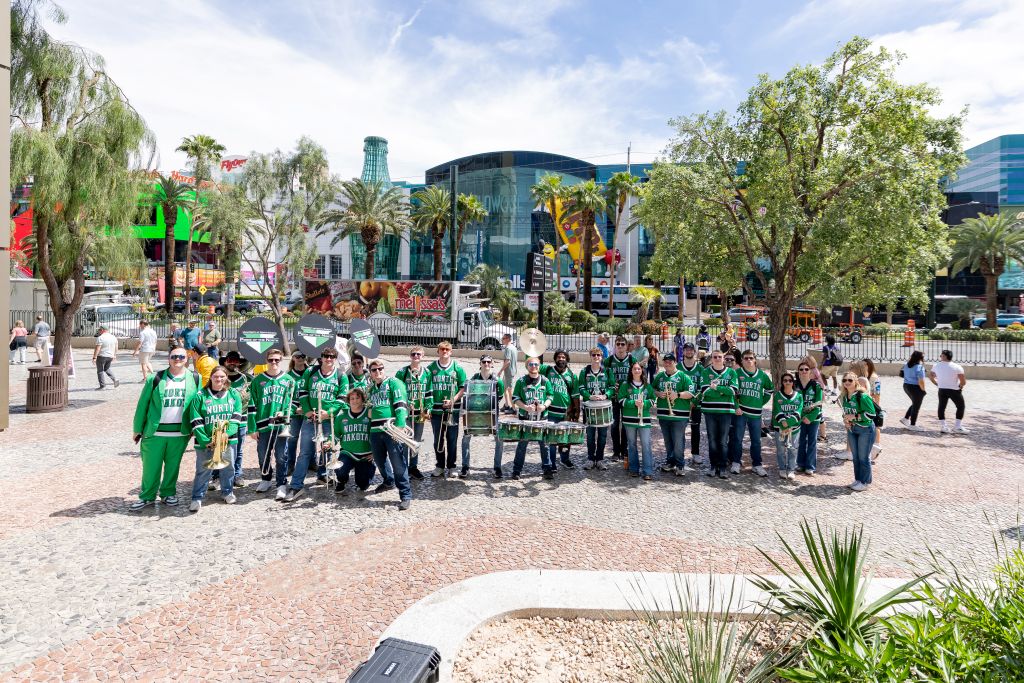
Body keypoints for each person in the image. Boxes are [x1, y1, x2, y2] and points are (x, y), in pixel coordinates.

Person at [130, 348, 201, 510]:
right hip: (154, 432)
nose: (178, 359)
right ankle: (147, 496)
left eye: (181, 356)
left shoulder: (196, 379)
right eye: (174, 356)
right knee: (150, 467)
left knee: (173, 466)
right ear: (168, 359)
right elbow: (143, 405)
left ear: (187, 358)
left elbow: (199, 406)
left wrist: (197, 429)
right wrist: (137, 428)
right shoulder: (155, 378)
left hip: (180, 432)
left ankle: (168, 493)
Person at [285, 348, 349, 502]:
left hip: (329, 419)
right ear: (321, 358)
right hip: (311, 418)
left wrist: (329, 412)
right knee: (305, 453)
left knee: (327, 450)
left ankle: (322, 476)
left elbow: (341, 399)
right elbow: (303, 393)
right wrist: (307, 411)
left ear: (335, 358)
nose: (329, 359)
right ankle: (296, 486)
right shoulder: (311, 372)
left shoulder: (341, 376)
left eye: (332, 357)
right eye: (326, 356)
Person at [186, 366, 243, 512]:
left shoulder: (233, 394)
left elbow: (236, 418)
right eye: (216, 376)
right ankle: (197, 497)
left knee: (228, 468)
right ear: (210, 377)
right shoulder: (200, 396)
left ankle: (227, 492)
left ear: (226, 378)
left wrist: (225, 434)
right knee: (203, 469)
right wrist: (206, 440)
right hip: (206, 442)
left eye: (222, 377)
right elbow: (196, 419)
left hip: (227, 440)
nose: (219, 379)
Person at [246, 348, 297, 498]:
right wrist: (252, 428)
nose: (274, 362)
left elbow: (294, 403)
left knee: (281, 455)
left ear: (281, 361)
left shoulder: (289, 380)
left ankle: (281, 483)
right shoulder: (257, 380)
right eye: (271, 360)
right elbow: (252, 405)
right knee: (263, 454)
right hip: (263, 424)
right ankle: (266, 479)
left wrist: (287, 413)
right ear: (266, 361)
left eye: (277, 360)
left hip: (281, 425)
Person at [366, 358, 412, 509]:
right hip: (375, 430)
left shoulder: (394, 383)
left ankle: (405, 494)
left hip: (391, 430)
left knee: (398, 462)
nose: (378, 371)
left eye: (380, 368)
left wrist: (399, 427)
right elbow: (368, 411)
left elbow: (400, 405)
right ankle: (388, 480)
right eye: (374, 370)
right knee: (379, 460)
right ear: (370, 373)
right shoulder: (370, 389)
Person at [426, 341, 467, 478]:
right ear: (438, 351)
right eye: (442, 349)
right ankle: (439, 466)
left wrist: (453, 400)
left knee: (452, 439)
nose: (444, 351)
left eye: (447, 349)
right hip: (437, 409)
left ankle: (452, 466)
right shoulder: (430, 368)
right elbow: (426, 388)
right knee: (438, 440)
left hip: (452, 410)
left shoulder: (457, 368)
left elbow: (463, 387)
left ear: (451, 352)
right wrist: (428, 408)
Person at [460, 355, 505, 478]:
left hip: (492, 414)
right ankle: (465, 466)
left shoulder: (498, 381)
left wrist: (487, 405)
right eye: (484, 362)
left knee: (499, 439)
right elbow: (469, 394)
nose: (486, 364)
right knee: (466, 437)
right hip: (475, 413)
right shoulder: (474, 378)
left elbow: (499, 397)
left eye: (488, 362)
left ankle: (497, 467)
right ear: (480, 363)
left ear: (492, 364)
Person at [731, 350, 773, 476]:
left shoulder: (762, 375)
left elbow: (769, 390)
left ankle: (757, 464)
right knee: (737, 439)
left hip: (755, 413)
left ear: (755, 359)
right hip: (741, 412)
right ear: (742, 360)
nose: (748, 360)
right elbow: (732, 392)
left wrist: (760, 402)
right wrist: (736, 406)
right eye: (746, 358)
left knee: (756, 440)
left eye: (751, 358)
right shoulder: (737, 373)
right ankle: (736, 462)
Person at [511, 358, 554, 479]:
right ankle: (517, 470)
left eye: (536, 364)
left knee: (544, 444)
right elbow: (515, 398)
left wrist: (544, 405)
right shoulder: (521, 381)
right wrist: (525, 406)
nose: (533, 366)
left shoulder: (545, 381)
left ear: (539, 366)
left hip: (542, 418)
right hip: (526, 417)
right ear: (527, 366)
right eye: (531, 364)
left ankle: (547, 468)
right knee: (522, 444)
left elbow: (550, 396)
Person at [699, 349, 738, 479]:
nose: (717, 359)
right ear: (712, 358)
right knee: (712, 440)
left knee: (722, 441)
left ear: (724, 358)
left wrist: (716, 388)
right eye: (715, 357)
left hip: (726, 411)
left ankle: (722, 467)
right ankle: (713, 466)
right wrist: (722, 392)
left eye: (719, 357)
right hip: (710, 411)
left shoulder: (731, 372)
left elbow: (732, 391)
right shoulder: (706, 372)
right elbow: (704, 391)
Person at [654, 353, 694, 475]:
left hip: (679, 414)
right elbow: (651, 389)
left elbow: (691, 392)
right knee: (668, 440)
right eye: (665, 361)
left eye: (670, 361)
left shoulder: (683, 376)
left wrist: (678, 395)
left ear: (675, 362)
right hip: (663, 414)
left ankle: (680, 464)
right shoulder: (660, 376)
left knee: (678, 440)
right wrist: (658, 394)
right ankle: (670, 462)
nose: (667, 363)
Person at [540, 349, 579, 470]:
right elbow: (532, 362)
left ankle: (565, 459)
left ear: (567, 359)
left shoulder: (572, 375)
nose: (561, 359)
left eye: (563, 357)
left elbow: (575, 395)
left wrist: (577, 411)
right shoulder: (547, 370)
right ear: (555, 359)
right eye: (559, 357)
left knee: (565, 438)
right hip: (551, 411)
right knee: (552, 438)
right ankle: (552, 463)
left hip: (565, 412)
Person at [618, 361, 657, 480]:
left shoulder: (647, 386)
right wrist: (633, 403)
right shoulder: (625, 385)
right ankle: (633, 469)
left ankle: (648, 470)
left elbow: (652, 400)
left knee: (646, 444)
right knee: (632, 444)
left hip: (644, 420)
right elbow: (620, 400)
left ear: (642, 371)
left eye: (639, 369)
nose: (637, 371)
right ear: (631, 371)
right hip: (629, 420)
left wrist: (644, 403)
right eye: (634, 369)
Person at [395, 346, 430, 479]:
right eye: (413, 354)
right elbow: (397, 391)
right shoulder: (402, 372)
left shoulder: (427, 372)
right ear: (410, 356)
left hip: (419, 413)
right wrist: (405, 402)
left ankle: (413, 467)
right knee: (404, 441)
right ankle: (403, 468)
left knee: (416, 442)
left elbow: (429, 392)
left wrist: (427, 409)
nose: (416, 356)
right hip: (406, 412)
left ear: (423, 356)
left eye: (418, 354)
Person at [332, 388, 375, 495]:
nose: (354, 400)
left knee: (363, 485)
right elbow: (336, 434)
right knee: (340, 470)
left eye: (357, 398)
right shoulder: (341, 416)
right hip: (348, 453)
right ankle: (342, 481)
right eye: (352, 398)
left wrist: (375, 453)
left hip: (365, 455)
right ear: (348, 401)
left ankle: (369, 469)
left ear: (362, 400)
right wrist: (329, 442)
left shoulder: (369, 414)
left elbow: (378, 434)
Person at [221, 351, 253, 488]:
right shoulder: (220, 377)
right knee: (220, 447)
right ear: (225, 362)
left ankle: (237, 474)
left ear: (240, 363)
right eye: (229, 360)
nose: (232, 363)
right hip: (223, 420)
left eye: (235, 360)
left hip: (242, 419)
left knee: (238, 449)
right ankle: (217, 475)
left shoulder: (248, 379)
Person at [840, 371, 875, 491]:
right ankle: (858, 479)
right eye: (844, 380)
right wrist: (845, 420)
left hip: (865, 429)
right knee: (855, 457)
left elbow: (871, 414)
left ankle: (865, 482)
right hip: (852, 429)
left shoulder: (863, 396)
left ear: (855, 381)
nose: (847, 383)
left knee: (863, 457)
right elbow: (846, 413)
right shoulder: (844, 397)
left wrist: (854, 417)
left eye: (850, 380)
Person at [578, 347, 612, 469]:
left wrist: (606, 395)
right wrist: (589, 396)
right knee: (590, 435)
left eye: (598, 355)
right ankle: (590, 459)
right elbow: (581, 387)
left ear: (602, 357)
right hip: (590, 408)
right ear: (590, 356)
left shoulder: (607, 371)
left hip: (603, 407)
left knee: (603, 436)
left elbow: (612, 387)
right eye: (594, 355)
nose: (596, 357)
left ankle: (600, 459)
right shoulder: (584, 371)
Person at [603, 335, 633, 461]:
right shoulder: (609, 361)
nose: (620, 346)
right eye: (618, 344)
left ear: (626, 346)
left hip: (627, 398)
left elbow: (638, 375)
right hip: (614, 398)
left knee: (626, 424)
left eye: (622, 344)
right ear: (615, 346)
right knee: (614, 425)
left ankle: (624, 450)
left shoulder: (632, 359)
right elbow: (602, 378)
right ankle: (616, 451)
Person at [772, 372, 804, 481]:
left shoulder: (799, 396)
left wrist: (789, 423)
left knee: (793, 449)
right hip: (780, 428)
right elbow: (777, 410)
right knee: (781, 449)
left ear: (793, 382)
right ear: (782, 382)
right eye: (785, 380)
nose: (787, 382)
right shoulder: (777, 396)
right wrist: (783, 423)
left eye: (790, 380)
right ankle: (782, 468)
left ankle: (791, 469)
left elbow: (799, 411)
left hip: (793, 428)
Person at [795, 360, 824, 475]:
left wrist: (810, 417)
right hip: (799, 418)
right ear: (798, 372)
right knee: (801, 441)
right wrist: (801, 417)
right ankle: (801, 464)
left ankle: (810, 466)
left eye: (806, 369)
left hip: (814, 418)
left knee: (812, 442)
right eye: (801, 369)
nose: (804, 371)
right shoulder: (794, 385)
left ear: (810, 371)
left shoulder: (816, 386)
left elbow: (819, 403)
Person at [929, 350, 968, 434]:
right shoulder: (957, 367)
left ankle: (944, 426)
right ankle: (957, 426)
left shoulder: (936, 366)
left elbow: (931, 376)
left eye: (941, 355)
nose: (940, 356)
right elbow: (963, 382)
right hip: (954, 390)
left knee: (942, 407)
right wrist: (960, 386)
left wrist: (937, 384)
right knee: (961, 406)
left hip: (942, 389)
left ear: (945, 356)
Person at [678, 343, 704, 464]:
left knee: (695, 429)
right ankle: (679, 452)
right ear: (683, 352)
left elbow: (702, 388)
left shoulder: (700, 368)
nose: (689, 352)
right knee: (679, 430)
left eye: (691, 350)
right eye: (686, 350)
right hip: (681, 404)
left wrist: (694, 401)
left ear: (694, 351)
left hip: (695, 405)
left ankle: (695, 453)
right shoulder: (678, 367)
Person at [285, 352, 309, 475]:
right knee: (292, 439)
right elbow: (286, 398)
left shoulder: (310, 373)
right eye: (297, 356)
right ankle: (290, 464)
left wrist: (306, 408)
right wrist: (295, 409)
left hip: (308, 412)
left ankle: (312, 462)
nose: (300, 358)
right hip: (294, 413)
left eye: (303, 356)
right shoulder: (288, 375)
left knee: (310, 439)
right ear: (293, 358)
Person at [900, 350, 928, 431]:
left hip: (906, 386)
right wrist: (923, 390)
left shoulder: (906, 365)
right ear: (920, 358)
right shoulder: (920, 367)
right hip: (915, 388)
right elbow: (921, 381)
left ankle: (905, 418)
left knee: (915, 403)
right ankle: (912, 425)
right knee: (916, 406)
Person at [862, 358, 883, 460]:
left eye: (865, 365)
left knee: (876, 425)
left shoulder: (874, 378)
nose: (863, 367)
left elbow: (877, 393)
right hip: (868, 404)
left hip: (872, 405)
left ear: (869, 365)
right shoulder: (865, 376)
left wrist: (876, 406)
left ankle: (876, 446)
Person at [93, 324, 120, 389]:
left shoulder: (100, 338)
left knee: (100, 371)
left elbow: (98, 348)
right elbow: (116, 347)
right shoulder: (113, 337)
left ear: (102, 330)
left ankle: (102, 386)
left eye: (99, 330)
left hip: (102, 356)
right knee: (107, 369)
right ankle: (115, 379)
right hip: (110, 356)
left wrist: (94, 357)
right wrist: (114, 355)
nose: (99, 331)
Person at [501, 333, 518, 413]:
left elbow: (507, 362)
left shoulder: (508, 348)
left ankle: (514, 408)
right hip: (512, 371)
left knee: (509, 390)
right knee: (504, 388)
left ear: (507, 339)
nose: (502, 340)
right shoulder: (514, 348)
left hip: (508, 372)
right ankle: (507, 405)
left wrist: (500, 371)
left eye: (503, 338)